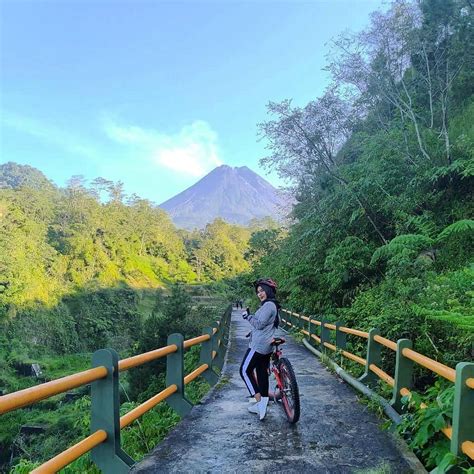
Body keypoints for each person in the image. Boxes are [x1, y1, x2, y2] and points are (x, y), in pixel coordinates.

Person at [239, 278, 280, 420]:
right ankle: (262, 405)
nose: (260, 294)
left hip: (258, 346)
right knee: (261, 373)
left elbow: (260, 324)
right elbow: (265, 326)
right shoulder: (271, 305)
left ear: (269, 291)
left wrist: (247, 316)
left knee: (244, 371)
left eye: (262, 290)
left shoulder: (268, 305)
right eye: (258, 292)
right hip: (266, 345)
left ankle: (258, 402)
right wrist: (252, 332)